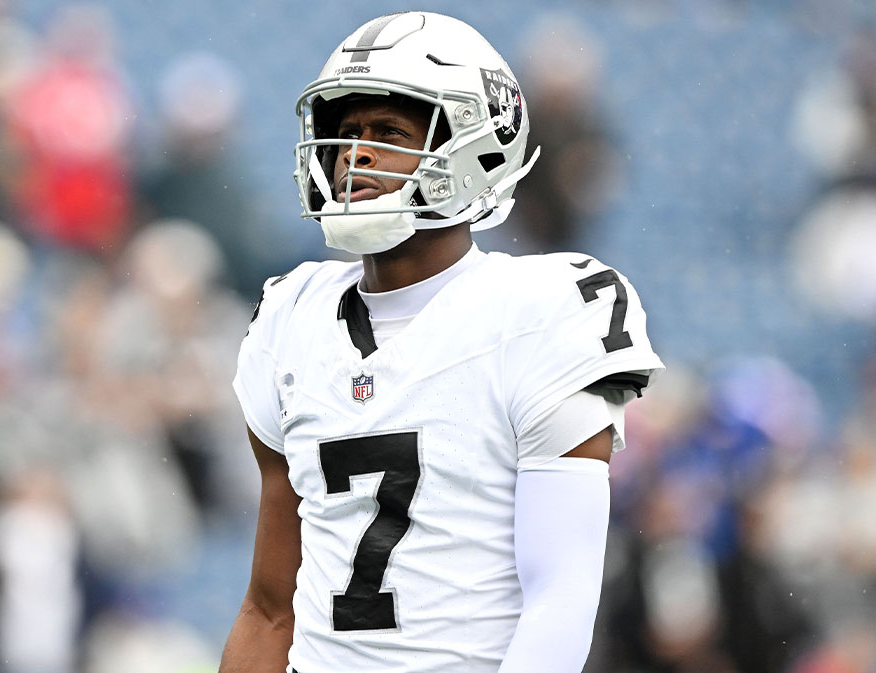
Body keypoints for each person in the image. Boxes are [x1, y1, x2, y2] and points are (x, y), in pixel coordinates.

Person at [219, 11, 664, 673]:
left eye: (389, 132)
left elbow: (560, 599)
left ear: (473, 147)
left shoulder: (541, 313)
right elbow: (268, 608)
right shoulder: (291, 317)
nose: (355, 153)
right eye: (347, 132)